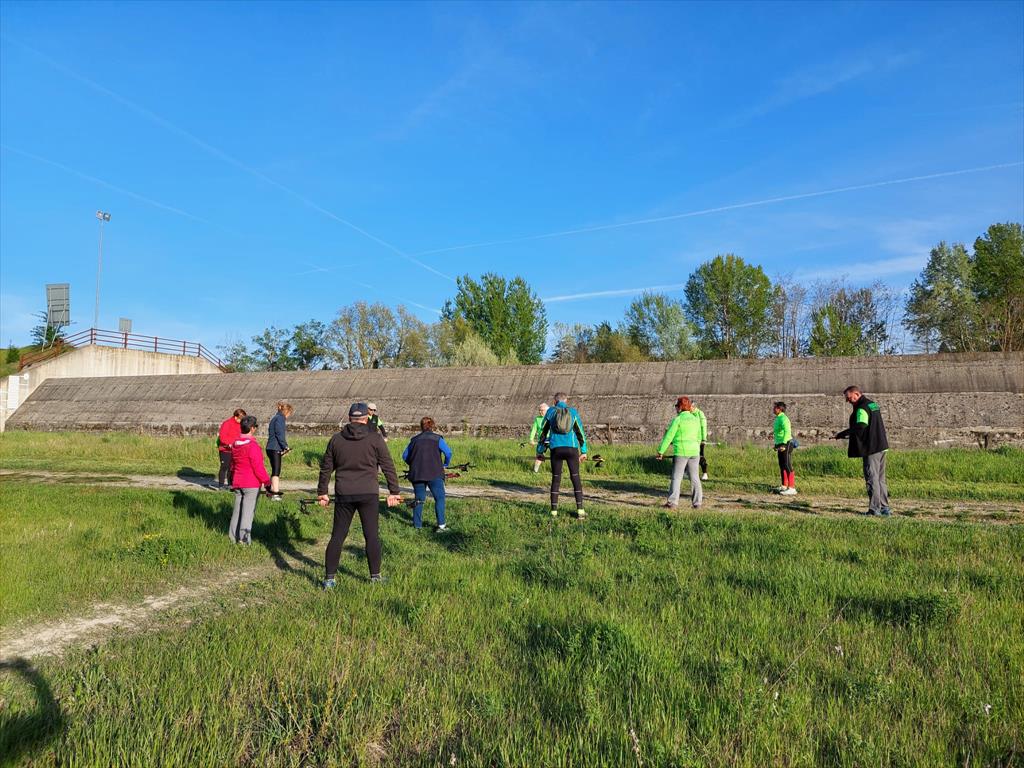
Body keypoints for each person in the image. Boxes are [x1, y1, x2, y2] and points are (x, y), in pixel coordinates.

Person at [318, 402, 402, 587]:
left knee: (338, 535)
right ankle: (375, 577)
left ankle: (329, 579)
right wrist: (394, 491)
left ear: (349, 418)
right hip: (368, 493)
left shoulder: (336, 439)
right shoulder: (375, 438)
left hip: (344, 493)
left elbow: (326, 468)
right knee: (371, 535)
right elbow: (387, 465)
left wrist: (322, 492)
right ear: (366, 418)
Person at [835, 386, 891, 517]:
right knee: (880, 479)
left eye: (849, 398)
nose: (848, 401)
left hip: (871, 448)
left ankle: (874, 510)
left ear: (856, 394)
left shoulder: (862, 408)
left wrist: (842, 434)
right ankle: (884, 508)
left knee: (872, 478)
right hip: (881, 446)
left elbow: (860, 426)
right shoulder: (872, 404)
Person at [536, 393, 588, 519]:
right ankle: (580, 511)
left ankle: (553, 513)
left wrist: (540, 451)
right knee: (575, 478)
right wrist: (584, 451)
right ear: (566, 400)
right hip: (571, 448)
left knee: (556, 479)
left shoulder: (550, 412)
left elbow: (543, 433)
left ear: (554, 401)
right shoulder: (573, 412)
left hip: (556, 449)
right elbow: (580, 432)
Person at [402, 416, 453, 531]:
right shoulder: (438, 439)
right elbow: (448, 453)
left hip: (417, 473)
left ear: (421, 426)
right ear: (432, 426)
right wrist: (445, 464)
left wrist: (413, 464)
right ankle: (441, 526)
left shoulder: (414, 440)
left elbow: (404, 456)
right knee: (439, 498)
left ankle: (417, 526)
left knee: (419, 499)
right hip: (435, 473)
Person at [228, 415, 270, 545]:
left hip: (238, 481)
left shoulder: (235, 444)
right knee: (247, 513)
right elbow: (258, 467)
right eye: (255, 426)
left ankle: (232, 538)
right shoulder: (253, 446)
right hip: (251, 483)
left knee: (237, 511)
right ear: (252, 428)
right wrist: (267, 482)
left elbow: (232, 464)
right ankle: (244, 540)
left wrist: (231, 479)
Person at [656, 396, 703, 509]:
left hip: (681, 452)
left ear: (680, 407)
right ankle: (697, 503)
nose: (676, 408)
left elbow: (668, 437)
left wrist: (661, 451)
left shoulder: (678, 420)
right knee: (695, 478)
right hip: (694, 452)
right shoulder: (696, 419)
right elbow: (699, 437)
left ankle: (672, 503)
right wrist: (695, 448)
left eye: (677, 406)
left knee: (676, 478)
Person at [266, 401, 293, 500]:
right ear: (286, 412)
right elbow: (279, 434)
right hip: (275, 448)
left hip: (270, 448)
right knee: (276, 472)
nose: (289, 416)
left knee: (274, 470)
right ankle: (275, 494)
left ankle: (270, 491)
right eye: (289, 413)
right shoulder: (280, 418)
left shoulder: (274, 417)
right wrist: (285, 446)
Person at [217, 408, 246, 488]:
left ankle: (230, 484)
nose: (242, 421)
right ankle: (221, 485)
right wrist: (229, 443)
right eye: (241, 419)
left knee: (232, 468)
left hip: (236, 450)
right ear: (236, 417)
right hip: (225, 450)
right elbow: (222, 437)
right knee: (224, 467)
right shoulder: (226, 423)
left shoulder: (241, 425)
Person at [773, 402, 797, 495]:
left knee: (787, 465)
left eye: (775, 407)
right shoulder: (778, 418)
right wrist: (776, 445)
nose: (773, 409)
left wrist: (784, 445)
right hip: (780, 444)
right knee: (782, 465)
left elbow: (787, 432)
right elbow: (778, 433)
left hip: (787, 443)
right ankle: (784, 485)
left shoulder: (784, 418)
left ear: (779, 409)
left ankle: (792, 488)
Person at [529, 402, 549, 473]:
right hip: (542, 439)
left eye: (542, 410)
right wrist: (531, 439)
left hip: (551, 439)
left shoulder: (551, 418)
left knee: (555, 455)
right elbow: (534, 429)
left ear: (547, 411)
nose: (540, 412)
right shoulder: (537, 419)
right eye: (539, 410)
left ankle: (557, 471)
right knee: (539, 455)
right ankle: (535, 471)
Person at [692, 401, 709, 480]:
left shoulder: (700, 414)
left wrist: (703, 439)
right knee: (689, 456)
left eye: (690, 406)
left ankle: (705, 473)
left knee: (700, 455)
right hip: (691, 439)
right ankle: (688, 472)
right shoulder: (689, 414)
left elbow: (703, 426)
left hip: (699, 439)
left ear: (694, 407)